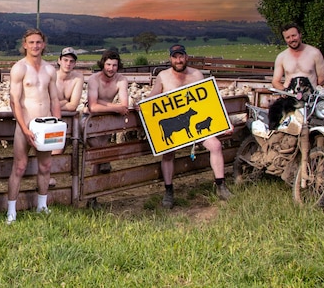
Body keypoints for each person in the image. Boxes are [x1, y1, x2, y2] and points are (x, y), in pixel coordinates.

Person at [149, 44, 231, 209]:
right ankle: (169, 190)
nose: (178, 60)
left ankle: (221, 185)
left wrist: (224, 123)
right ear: (170, 59)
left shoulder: (197, 75)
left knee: (215, 145)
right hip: (174, 125)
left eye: (181, 56)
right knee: (167, 152)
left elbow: (209, 100)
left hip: (194, 125)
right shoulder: (163, 76)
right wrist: (140, 106)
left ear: (186, 57)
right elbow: (152, 100)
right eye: (175, 57)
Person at [6, 29, 62, 224]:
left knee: (46, 166)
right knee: (19, 167)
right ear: (25, 45)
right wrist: (24, 128)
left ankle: (42, 206)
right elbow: (15, 101)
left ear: (43, 44)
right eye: (31, 42)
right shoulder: (19, 68)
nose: (35, 46)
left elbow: (55, 99)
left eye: (38, 42)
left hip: (46, 125)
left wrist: (57, 125)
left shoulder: (49, 70)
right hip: (26, 125)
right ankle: (11, 211)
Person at [84, 49, 130, 181]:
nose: (111, 68)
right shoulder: (94, 79)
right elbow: (92, 107)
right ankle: (105, 160)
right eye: (108, 64)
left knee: (98, 154)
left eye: (114, 65)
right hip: (91, 118)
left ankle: (93, 191)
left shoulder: (121, 80)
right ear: (103, 64)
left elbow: (125, 105)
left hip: (107, 119)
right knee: (100, 151)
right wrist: (115, 107)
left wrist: (101, 103)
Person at [271, 22, 324, 91]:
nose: (291, 39)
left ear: (300, 35)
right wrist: (284, 91)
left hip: (309, 97)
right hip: (290, 97)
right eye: (288, 37)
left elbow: (322, 78)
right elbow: (275, 81)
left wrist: (311, 92)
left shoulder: (314, 53)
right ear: (285, 39)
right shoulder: (281, 57)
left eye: (294, 35)